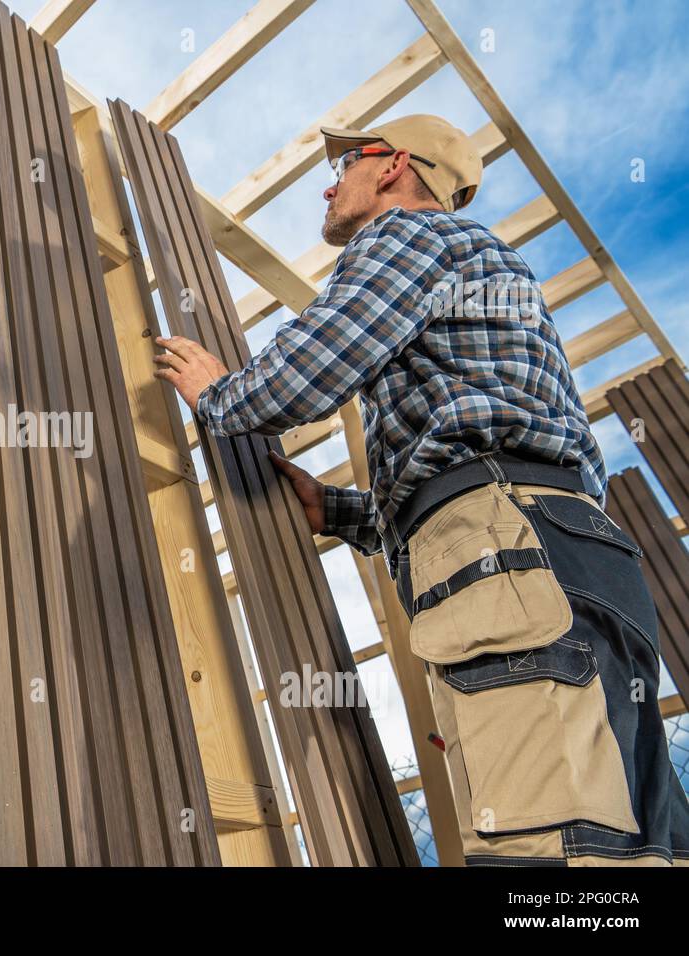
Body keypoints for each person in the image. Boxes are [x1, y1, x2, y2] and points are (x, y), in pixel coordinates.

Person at [152, 113, 689, 867]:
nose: (331, 184)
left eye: (345, 166)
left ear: (394, 164)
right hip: (571, 553)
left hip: (510, 552)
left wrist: (221, 394)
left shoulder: (407, 238)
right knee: (626, 848)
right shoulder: (481, 266)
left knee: (547, 855)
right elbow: (472, 445)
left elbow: (312, 366)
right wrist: (343, 512)